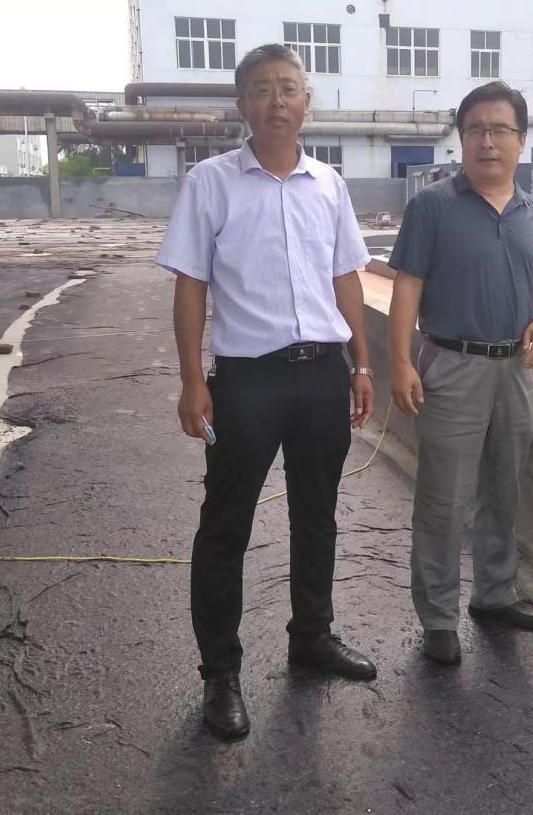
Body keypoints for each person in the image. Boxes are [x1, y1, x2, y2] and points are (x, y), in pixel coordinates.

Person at [156, 44, 377, 740]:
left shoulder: (328, 184)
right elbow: (190, 284)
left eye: (288, 88)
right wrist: (192, 381)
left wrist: (362, 366)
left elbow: (345, 277)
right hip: (246, 382)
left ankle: (311, 638)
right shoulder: (210, 183)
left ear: (307, 101)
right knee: (226, 525)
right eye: (261, 90)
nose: (276, 101)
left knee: (317, 515)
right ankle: (220, 674)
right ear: (242, 105)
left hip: (322, 374)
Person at [387, 81, 533, 667]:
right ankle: (439, 617)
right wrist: (401, 362)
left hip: (515, 370)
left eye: (500, 130)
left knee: (504, 491)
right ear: (462, 139)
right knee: (443, 498)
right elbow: (406, 288)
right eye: (476, 130)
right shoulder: (432, 206)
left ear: (521, 140)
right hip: (452, 367)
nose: (488, 141)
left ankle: (494, 593)